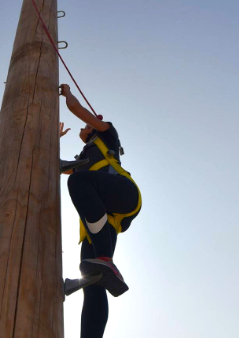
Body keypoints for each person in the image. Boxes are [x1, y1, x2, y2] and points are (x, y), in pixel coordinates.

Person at [60, 83, 142, 338]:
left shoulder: (108, 134)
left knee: (78, 181)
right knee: (93, 280)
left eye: (87, 126)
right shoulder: (83, 158)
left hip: (125, 194)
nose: (83, 129)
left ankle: (105, 259)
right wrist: (52, 139)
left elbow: (76, 109)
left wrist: (66, 93)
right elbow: (60, 166)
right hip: (106, 223)